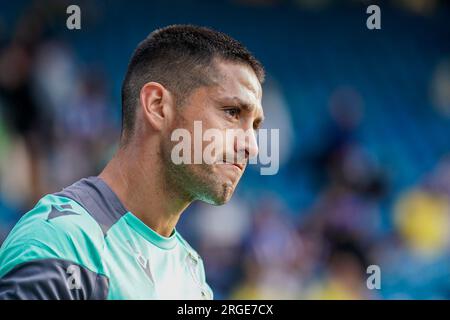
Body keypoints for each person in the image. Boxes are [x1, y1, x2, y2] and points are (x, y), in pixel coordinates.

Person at [0, 24, 265, 299]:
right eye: (232, 112)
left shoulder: (191, 273)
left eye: (255, 126)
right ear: (157, 106)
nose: (251, 146)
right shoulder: (64, 244)